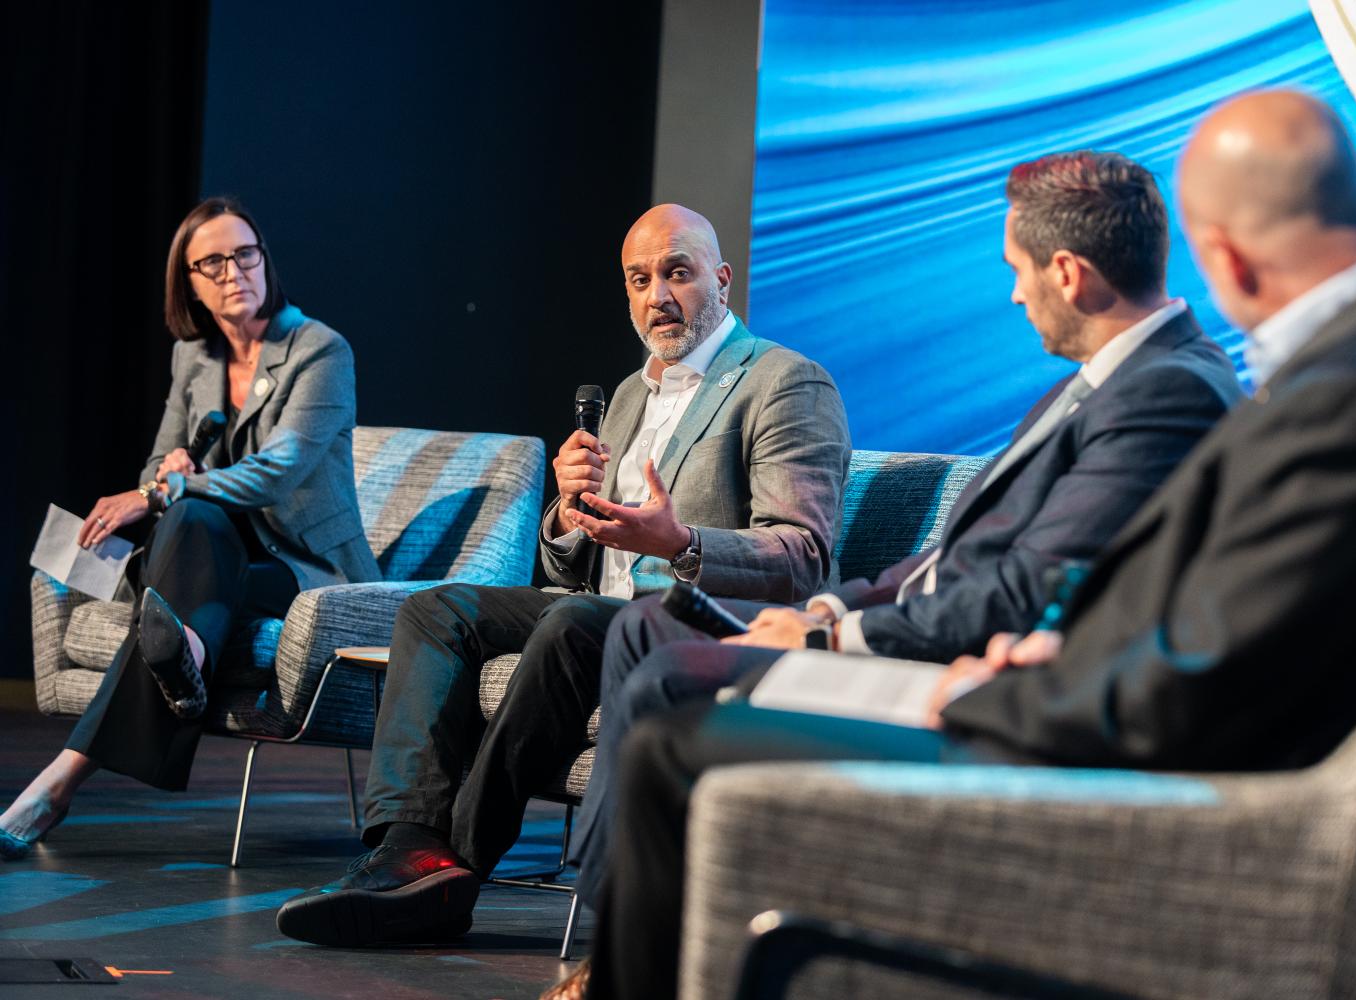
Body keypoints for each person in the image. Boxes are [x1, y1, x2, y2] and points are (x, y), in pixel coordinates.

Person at [548, 90, 1356, 1000]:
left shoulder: (1353, 392)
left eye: (1016, 270)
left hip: (1142, 784)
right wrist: (1048, 651)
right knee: (668, 678)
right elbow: (1216, 614)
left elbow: (1197, 677)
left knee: (675, 731)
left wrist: (994, 687)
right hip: (1080, 700)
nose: (1013, 294)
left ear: (1227, 259)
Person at [563, 150, 1243, 909]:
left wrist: (832, 635)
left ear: (1066, 274)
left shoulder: (1168, 391)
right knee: (647, 629)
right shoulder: (1090, 387)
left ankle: (616, 939)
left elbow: (1026, 587)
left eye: (1017, 271)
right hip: (917, 639)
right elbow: (951, 557)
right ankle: (609, 926)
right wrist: (831, 609)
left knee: (668, 684)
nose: (1016, 294)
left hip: (960, 671)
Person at [274, 204, 851, 947]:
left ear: (722, 280)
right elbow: (568, 565)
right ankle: (403, 846)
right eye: (639, 280)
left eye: (677, 273)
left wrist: (681, 542)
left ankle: (456, 864)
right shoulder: (631, 393)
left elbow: (802, 555)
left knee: (570, 620)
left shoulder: (784, 381)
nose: (658, 296)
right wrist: (567, 512)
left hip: (696, 617)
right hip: (592, 605)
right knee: (435, 610)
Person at [0, 197, 377, 861]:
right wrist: (168, 473)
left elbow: (278, 472)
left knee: (186, 516)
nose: (234, 272)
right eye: (213, 262)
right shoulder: (192, 358)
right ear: (189, 282)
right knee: (191, 518)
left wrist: (168, 486)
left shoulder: (319, 350)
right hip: (209, 555)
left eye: (245, 254)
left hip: (301, 566)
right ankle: (186, 659)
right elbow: (157, 463)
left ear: (265, 260)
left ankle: (63, 777)